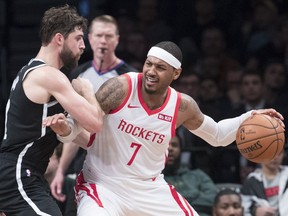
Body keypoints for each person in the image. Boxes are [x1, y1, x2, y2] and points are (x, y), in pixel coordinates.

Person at [46, 41, 284, 216]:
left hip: (149, 188)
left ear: (176, 73)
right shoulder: (121, 87)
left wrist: (249, 117)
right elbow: (85, 119)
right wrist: (65, 129)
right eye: (149, 64)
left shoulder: (182, 106)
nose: (150, 71)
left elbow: (218, 136)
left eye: (160, 67)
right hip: (103, 184)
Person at [0, 5, 103, 216]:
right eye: (78, 38)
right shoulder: (48, 75)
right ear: (59, 39)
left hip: (25, 174)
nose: (83, 46)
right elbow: (95, 122)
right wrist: (87, 90)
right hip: (18, 173)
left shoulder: (36, 73)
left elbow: (87, 139)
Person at [50, 14, 137, 215]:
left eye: (108, 36)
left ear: (117, 39)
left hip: (116, 161)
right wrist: (61, 171)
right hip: (83, 156)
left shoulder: (130, 78)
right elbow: (73, 127)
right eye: (98, 36)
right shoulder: (77, 75)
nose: (103, 41)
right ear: (90, 39)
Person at [163, 132, 218, 216]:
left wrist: (179, 202)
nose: (170, 148)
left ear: (181, 150)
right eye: (166, 145)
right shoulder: (152, 179)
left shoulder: (198, 175)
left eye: (174, 145)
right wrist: (195, 196)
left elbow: (214, 199)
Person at [240, 150, 288, 216]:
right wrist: (254, 211)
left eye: (279, 153)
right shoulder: (251, 181)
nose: (275, 157)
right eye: (271, 153)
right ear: (261, 154)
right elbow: (244, 208)